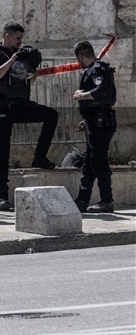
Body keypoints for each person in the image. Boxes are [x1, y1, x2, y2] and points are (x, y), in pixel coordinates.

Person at [0, 22, 58, 212]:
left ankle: (39, 157)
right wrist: (12, 60)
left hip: (21, 104)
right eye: (17, 38)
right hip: (1, 105)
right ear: (7, 36)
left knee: (51, 115)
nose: (20, 42)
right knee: (3, 150)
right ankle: (2, 196)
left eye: (21, 39)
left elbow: (30, 80)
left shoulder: (21, 53)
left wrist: (30, 66)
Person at [71, 41, 116, 214]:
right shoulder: (93, 70)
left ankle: (106, 200)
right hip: (95, 122)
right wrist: (87, 120)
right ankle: (82, 200)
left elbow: (101, 91)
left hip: (101, 123)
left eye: (78, 59)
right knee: (89, 164)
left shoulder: (98, 70)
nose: (78, 62)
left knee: (98, 162)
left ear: (81, 56)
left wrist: (81, 95)